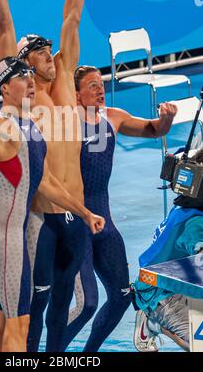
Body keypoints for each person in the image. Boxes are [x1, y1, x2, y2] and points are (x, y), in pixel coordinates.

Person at [0, 0, 100, 352]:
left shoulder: (67, 78)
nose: (52, 57)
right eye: (42, 55)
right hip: (40, 216)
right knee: (26, 311)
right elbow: (4, 25)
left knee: (81, 303)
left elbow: (73, 13)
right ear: (27, 64)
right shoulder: (25, 97)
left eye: (52, 53)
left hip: (77, 210)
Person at [0, 60, 104, 353]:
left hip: (11, 231)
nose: (30, 81)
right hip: (5, 234)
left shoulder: (29, 125)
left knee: (6, 317)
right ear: (4, 88)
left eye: (30, 75)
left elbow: (44, 182)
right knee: (20, 321)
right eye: (21, 77)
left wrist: (84, 212)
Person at [62, 65, 178, 352]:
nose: (99, 89)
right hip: (75, 223)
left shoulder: (113, 117)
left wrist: (166, 119)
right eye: (91, 86)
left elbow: (154, 131)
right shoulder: (64, 125)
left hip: (104, 222)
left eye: (100, 84)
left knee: (121, 295)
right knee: (87, 303)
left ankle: (88, 355)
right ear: (76, 95)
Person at [132, 148, 203, 352]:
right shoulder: (196, 223)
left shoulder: (187, 203)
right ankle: (153, 322)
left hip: (182, 284)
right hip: (161, 294)